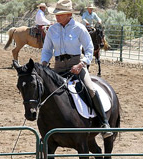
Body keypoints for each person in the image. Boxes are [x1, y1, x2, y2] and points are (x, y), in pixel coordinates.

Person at [41, 0, 112, 139]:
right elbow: (47, 50)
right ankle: (45, 125)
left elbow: (90, 48)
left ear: (68, 14)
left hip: (77, 66)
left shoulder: (79, 28)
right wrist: (43, 63)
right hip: (58, 67)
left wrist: (82, 64)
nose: (56, 16)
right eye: (56, 14)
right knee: (44, 89)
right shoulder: (52, 30)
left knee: (90, 88)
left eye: (60, 14)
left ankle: (104, 123)